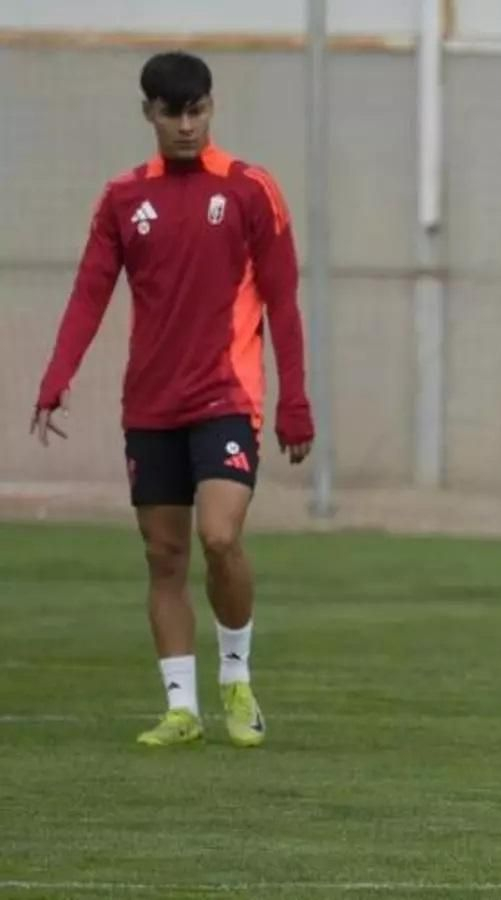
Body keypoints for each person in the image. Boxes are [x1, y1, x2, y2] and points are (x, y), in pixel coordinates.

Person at [30, 51, 314, 749]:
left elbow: (283, 300)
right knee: (164, 558)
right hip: (150, 406)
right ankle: (181, 707)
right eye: (172, 113)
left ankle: (238, 679)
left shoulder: (251, 190)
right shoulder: (123, 199)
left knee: (220, 536)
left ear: (210, 108)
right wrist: (56, 376)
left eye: (198, 110)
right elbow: (90, 293)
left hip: (226, 395)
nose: (187, 125)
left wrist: (295, 402)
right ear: (149, 114)